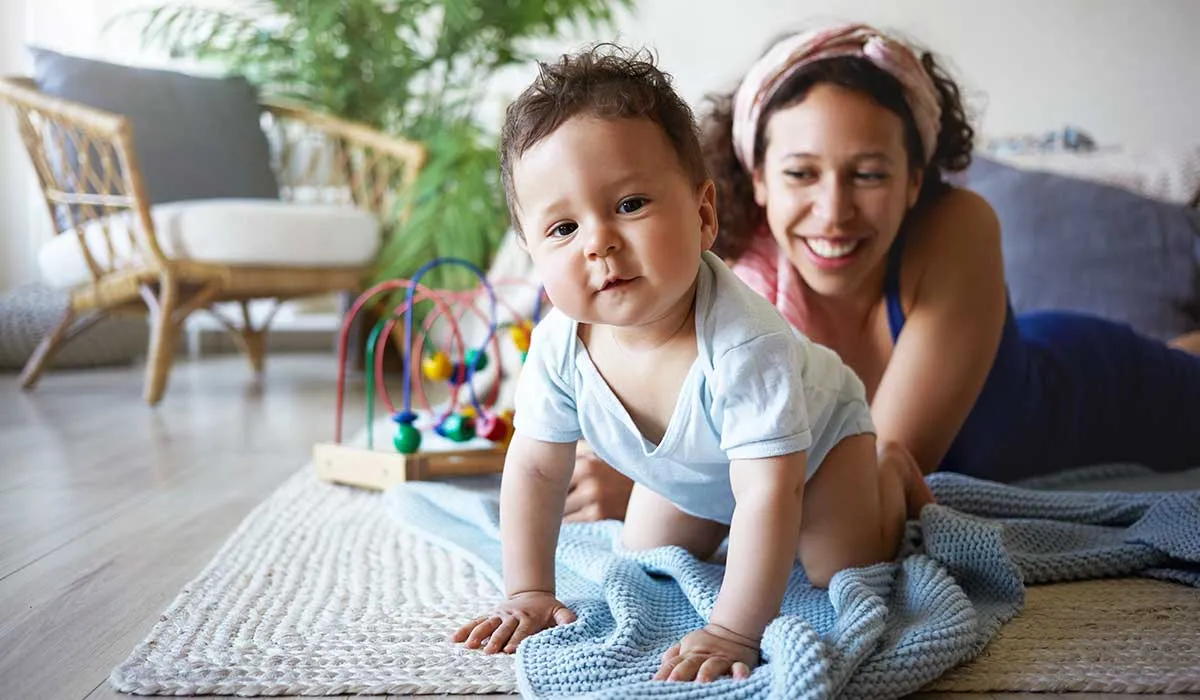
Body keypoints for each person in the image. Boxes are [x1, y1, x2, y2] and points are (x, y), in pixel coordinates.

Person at [565, 22, 1200, 519]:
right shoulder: (726, 282)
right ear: (758, 179)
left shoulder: (960, 227)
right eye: (800, 173)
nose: (834, 213)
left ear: (914, 179)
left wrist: (668, 486)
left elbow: (863, 480)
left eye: (868, 174)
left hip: (1086, 386)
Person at [452, 44, 933, 683]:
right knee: (645, 552)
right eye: (563, 228)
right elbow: (536, 468)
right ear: (532, 253)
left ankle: (886, 474)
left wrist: (733, 628)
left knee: (837, 564)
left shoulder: (743, 344)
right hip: (704, 470)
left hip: (817, 450)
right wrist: (528, 591)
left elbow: (771, 490)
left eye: (630, 205)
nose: (599, 242)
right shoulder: (558, 345)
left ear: (703, 215)